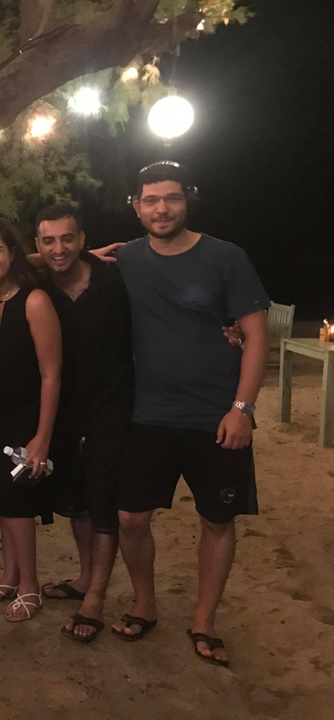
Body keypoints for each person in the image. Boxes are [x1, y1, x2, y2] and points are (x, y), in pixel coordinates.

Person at [109, 162, 269, 667]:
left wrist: (242, 408)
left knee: (217, 519)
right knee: (130, 517)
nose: (161, 208)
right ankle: (145, 603)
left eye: (171, 198)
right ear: (135, 206)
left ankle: (204, 620)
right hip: (148, 413)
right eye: (151, 200)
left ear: (188, 201)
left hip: (216, 416)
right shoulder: (126, 258)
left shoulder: (227, 257)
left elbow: (257, 336)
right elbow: (46, 261)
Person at [32, 204, 133, 641]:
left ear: (83, 238)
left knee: (104, 499)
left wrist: (228, 329)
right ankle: (85, 577)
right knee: (75, 501)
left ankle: (95, 597)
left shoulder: (117, 278)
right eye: (48, 241)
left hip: (114, 406)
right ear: (37, 246)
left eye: (67, 239)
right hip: (63, 412)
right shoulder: (36, 287)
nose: (59, 248)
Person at [0, 219, 62, 623]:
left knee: (19, 505)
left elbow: (51, 373)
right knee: (2, 502)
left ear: (12, 254)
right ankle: (9, 576)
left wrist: (42, 436)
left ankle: (30, 586)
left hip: (26, 416)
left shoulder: (35, 300)